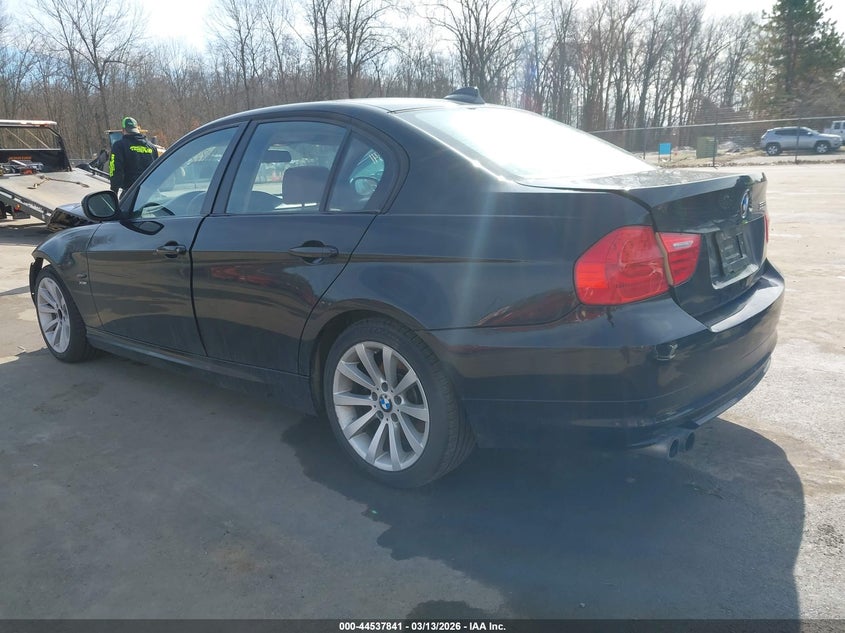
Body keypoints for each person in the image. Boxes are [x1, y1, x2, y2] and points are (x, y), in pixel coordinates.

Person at [109, 116, 159, 194]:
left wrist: (113, 192)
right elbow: (157, 171)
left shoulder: (119, 146)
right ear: (137, 129)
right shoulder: (152, 147)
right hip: (151, 193)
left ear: (123, 130)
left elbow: (114, 170)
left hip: (131, 193)